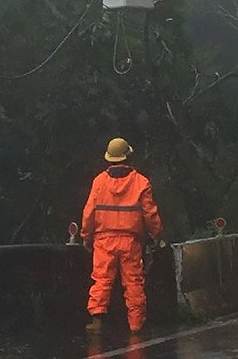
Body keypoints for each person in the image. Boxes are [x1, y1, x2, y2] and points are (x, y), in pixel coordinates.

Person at [81, 137, 163, 334]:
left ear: (109, 158)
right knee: (133, 281)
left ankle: (97, 323)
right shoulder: (141, 182)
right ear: (128, 156)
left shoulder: (99, 182)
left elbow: (89, 212)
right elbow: (150, 213)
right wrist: (157, 234)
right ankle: (136, 325)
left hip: (103, 240)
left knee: (101, 280)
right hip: (130, 240)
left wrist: (86, 235)